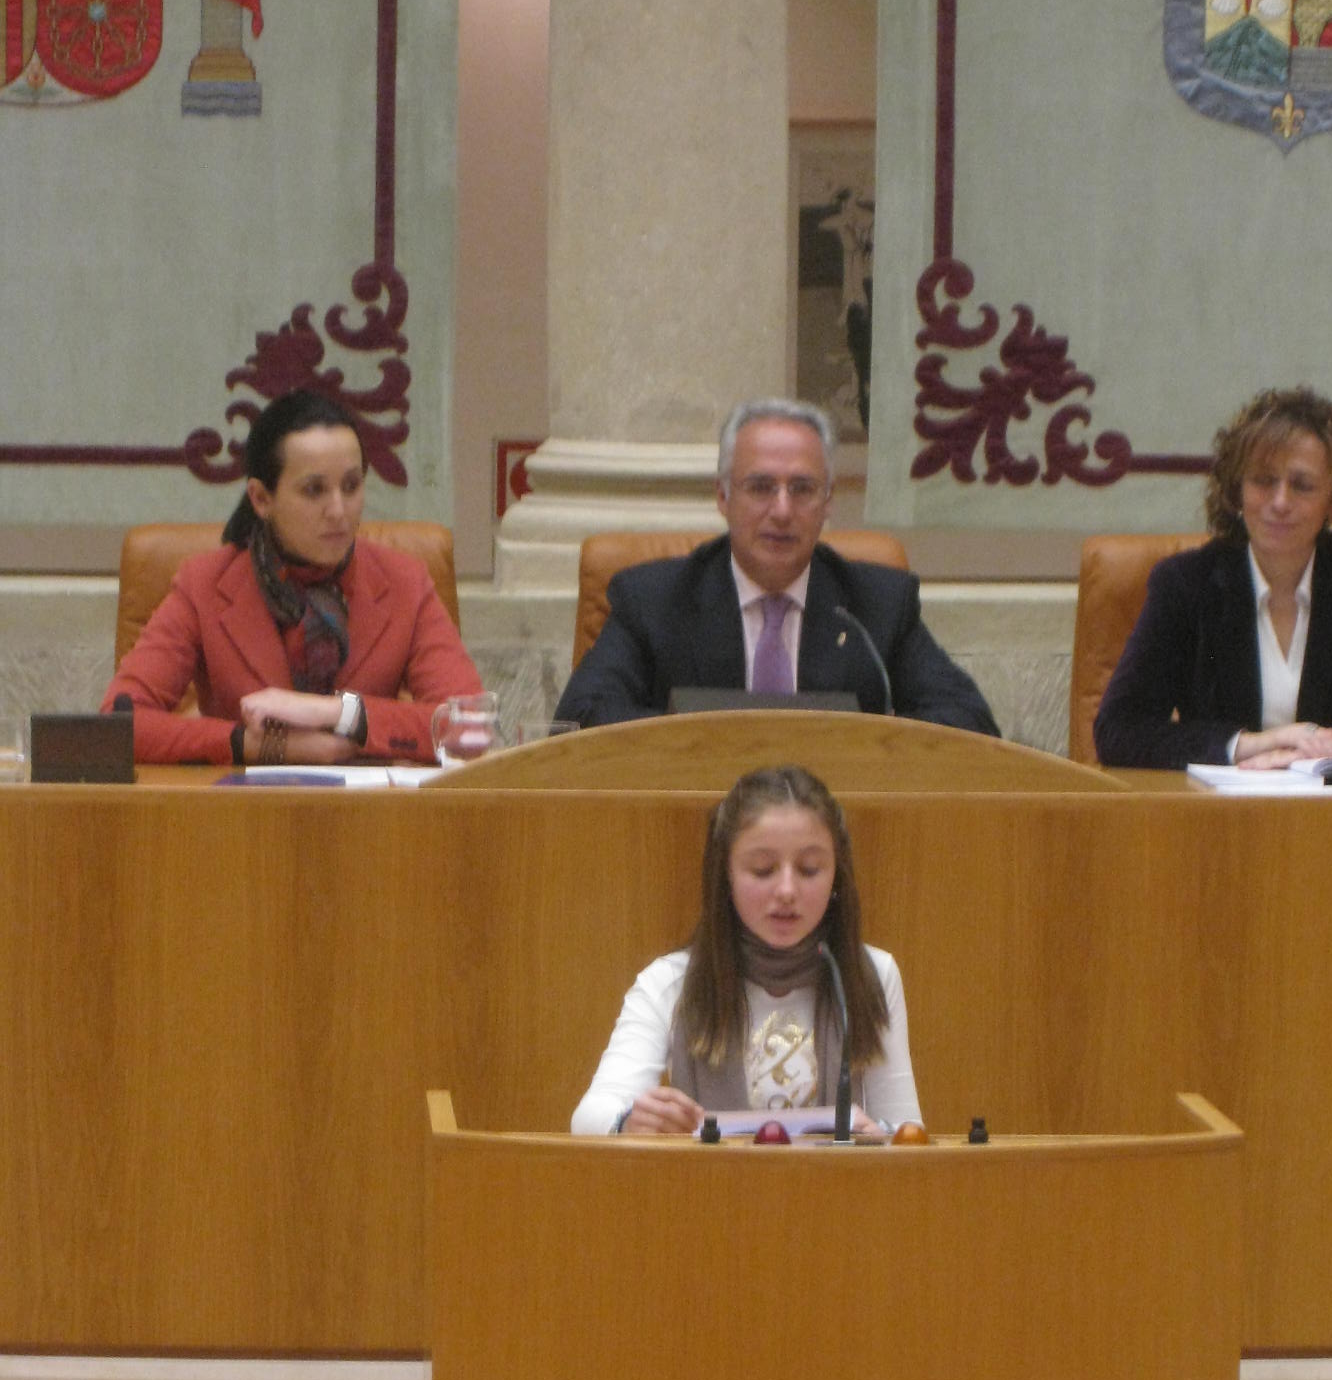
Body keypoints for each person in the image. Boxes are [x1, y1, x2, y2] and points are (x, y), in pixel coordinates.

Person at [554, 397, 999, 735]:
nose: (782, 511)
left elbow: (968, 721)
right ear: (723, 496)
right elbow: (582, 716)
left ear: (828, 503)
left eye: (802, 489)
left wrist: (866, 748)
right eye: (761, 487)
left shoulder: (877, 604)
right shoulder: (653, 600)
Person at [103, 389, 483, 765]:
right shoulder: (203, 584)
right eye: (314, 490)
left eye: (351, 486)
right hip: (240, 817)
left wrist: (339, 714)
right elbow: (117, 724)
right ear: (261, 499)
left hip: (369, 818)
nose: (338, 510)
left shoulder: (405, 582)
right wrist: (256, 746)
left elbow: (471, 729)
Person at [1092, 385, 1332, 770]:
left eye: (1302, 486)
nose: (1280, 502)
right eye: (1263, 481)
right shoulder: (1186, 584)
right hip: (1217, 817)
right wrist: (1247, 746)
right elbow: (1118, 731)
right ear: (1236, 491)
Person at [572, 764, 922, 1136]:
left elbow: (908, 1130)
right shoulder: (670, 981)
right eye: (762, 869)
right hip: (704, 1191)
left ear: (837, 875)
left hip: (835, 1191)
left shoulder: (874, 973)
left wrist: (879, 1135)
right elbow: (589, 1117)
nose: (787, 890)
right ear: (727, 874)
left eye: (808, 869)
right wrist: (629, 1122)